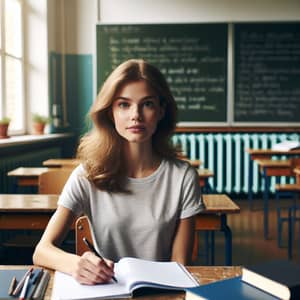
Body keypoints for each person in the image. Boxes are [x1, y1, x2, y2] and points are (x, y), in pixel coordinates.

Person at [33, 59, 204, 285]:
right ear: (110, 112)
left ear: (162, 110)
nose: (136, 115)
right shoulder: (87, 175)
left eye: (148, 104)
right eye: (124, 104)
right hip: (106, 290)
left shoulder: (183, 177)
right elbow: (41, 251)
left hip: (161, 291)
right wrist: (77, 265)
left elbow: (179, 263)